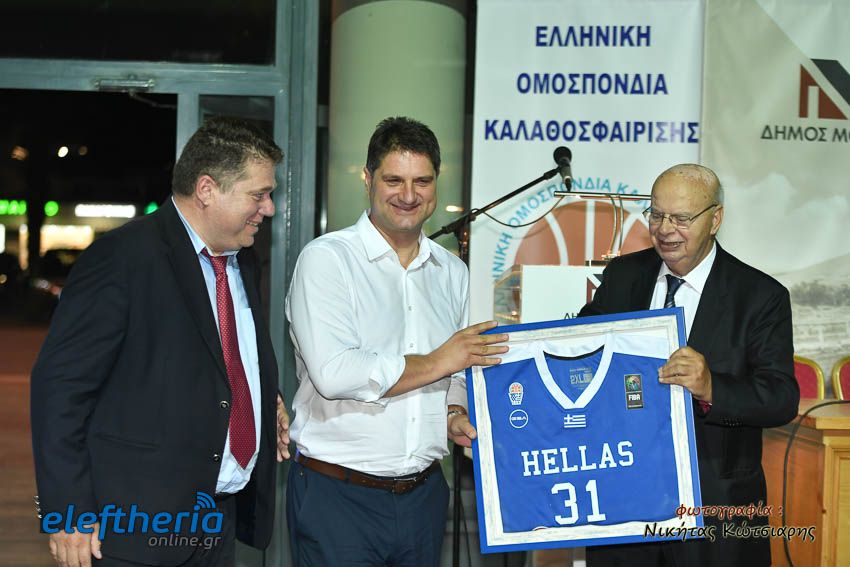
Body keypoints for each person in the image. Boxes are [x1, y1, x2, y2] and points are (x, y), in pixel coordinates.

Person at [31, 117, 292, 567]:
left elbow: (220, 357)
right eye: (259, 194)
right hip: (133, 529)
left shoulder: (241, 259)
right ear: (207, 189)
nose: (268, 208)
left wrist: (265, 398)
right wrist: (67, 512)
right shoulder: (122, 258)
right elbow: (60, 388)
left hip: (215, 520)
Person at [284, 116, 508, 566]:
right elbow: (335, 373)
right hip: (338, 497)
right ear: (368, 179)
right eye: (394, 180)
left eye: (422, 181)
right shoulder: (327, 260)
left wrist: (454, 413)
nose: (409, 195)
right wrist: (440, 360)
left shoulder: (451, 272)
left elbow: (457, 373)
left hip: (424, 496)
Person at [580, 164, 799, 566]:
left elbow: (780, 399)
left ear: (715, 219)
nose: (665, 230)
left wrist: (712, 387)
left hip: (715, 507)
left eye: (681, 218)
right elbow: (582, 349)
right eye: (656, 215)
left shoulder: (759, 296)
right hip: (626, 501)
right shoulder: (623, 275)